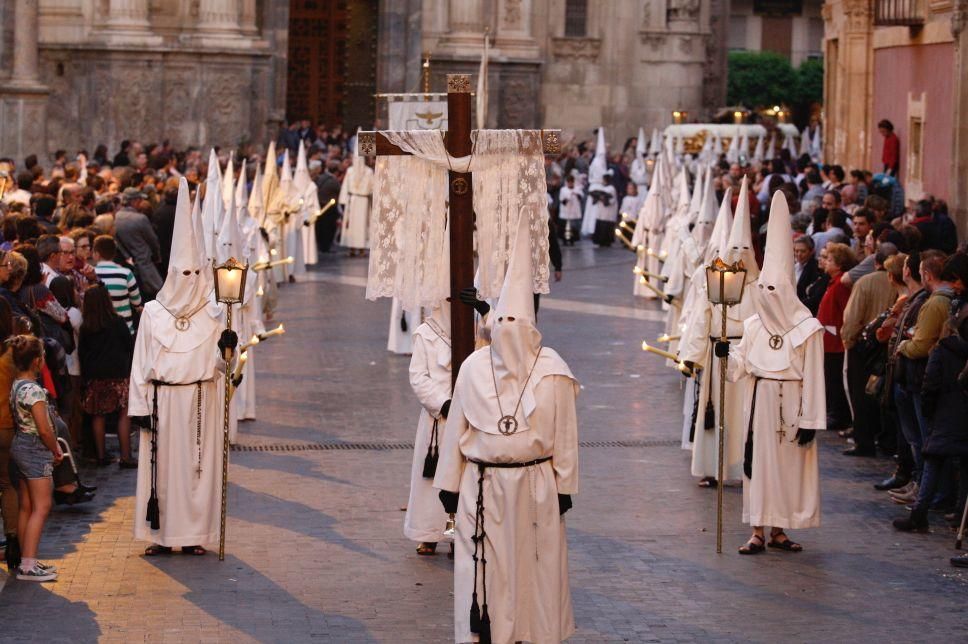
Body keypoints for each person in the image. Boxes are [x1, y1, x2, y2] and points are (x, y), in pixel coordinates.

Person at [434, 212, 579, 643]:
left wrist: (565, 486)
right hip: (481, 487)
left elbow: (566, 438)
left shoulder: (553, 371)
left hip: (536, 487)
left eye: (514, 323)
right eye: (500, 322)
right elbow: (457, 424)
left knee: (535, 568)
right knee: (484, 568)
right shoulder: (474, 367)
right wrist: (449, 483)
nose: (506, 331)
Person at [130, 178, 227, 557]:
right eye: (182, 273)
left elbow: (224, 366)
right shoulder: (154, 313)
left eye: (194, 274)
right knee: (161, 472)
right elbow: (140, 363)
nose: (189, 281)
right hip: (161, 403)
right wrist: (138, 407)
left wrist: (229, 351)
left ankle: (192, 536)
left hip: (201, 400)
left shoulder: (216, 312)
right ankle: (159, 535)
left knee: (196, 472)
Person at [726, 190, 826, 555]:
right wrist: (727, 355)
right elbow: (741, 367)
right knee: (761, 467)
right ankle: (756, 529)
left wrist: (811, 420)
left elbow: (815, 378)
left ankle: (780, 529)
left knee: (787, 470)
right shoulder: (753, 326)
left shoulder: (806, 328)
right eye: (763, 289)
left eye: (774, 288)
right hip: (760, 404)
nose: (768, 294)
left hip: (793, 405)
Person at [9, 334, 62, 581]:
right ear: (38, 361)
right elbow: (44, 428)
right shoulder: (34, 392)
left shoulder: (17, 385)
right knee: (42, 506)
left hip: (19, 445)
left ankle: (25, 560)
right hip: (34, 449)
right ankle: (29, 565)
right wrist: (55, 449)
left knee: (26, 506)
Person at [404, 301, 453, 556]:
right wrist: (442, 403)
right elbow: (418, 376)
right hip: (437, 419)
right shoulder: (425, 333)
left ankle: (458, 532)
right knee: (430, 481)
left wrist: (484, 311)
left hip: (464, 415)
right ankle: (428, 533)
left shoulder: (475, 328)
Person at [841, 246, 898, 456]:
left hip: (864, 346)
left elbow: (852, 316)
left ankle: (864, 441)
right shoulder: (899, 284)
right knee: (883, 393)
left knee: (861, 393)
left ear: (876, 262)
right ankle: (886, 440)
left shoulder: (865, 282)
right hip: (889, 345)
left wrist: (849, 340)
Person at [79, 285, 136, 468]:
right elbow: (129, 344)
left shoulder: (86, 327)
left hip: (96, 376)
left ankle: (101, 456)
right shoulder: (117, 322)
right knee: (123, 413)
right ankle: (126, 457)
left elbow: (82, 353)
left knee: (98, 415)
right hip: (118, 373)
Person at [817, 242, 857, 431]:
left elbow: (845, 312)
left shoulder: (840, 285)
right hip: (829, 339)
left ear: (839, 264)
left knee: (835, 379)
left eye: (830, 260)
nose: (825, 262)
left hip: (836, 342)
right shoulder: (833, 282)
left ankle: (838, 414)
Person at [113, 187, 163, 300]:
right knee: (159, 296)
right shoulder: (140, 218)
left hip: (129, 262)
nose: (141, 203)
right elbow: (153, 241)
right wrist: (157, 257)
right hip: (145, 263)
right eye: (140, 200)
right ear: (134, 201)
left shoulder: (116, 218)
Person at [93, 235, 142, 333]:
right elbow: (137, 302)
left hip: (101, 331)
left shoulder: (92, 275)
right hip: (125, 329)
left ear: (97, 254)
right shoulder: (126, 273)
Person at [337, 136, 374, 257]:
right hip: (353, 200)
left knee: (362, 225)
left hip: (363, 201)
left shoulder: (368, 171)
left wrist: (374, 199)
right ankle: (352, 247)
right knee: (352, 225)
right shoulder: (350, 171)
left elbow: (373, 187)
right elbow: (345, 186)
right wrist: (343, 200)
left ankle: (362, 247)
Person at [590, 171, 619, 247]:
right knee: (601, 225)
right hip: (601, 211)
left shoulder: (611, 189)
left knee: (606, 226)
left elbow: (612, 200)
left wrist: (603, 198)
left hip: (608, 213)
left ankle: (606, 241)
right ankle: (600, 241)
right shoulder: (602, 187)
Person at [558, 172, 583, 246]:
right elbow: (562, 200)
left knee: (573, 227)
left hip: (574, 212)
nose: (570, 184)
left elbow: (581, 197)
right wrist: (568, 196)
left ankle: (572, 240)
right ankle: (565, 240)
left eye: (571, 182)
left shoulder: (577, 189)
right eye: (569, 182)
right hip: (565, 212)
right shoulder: (563, 189)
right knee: (565, 227)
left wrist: (576, 194)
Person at [794, 235, 820, 305]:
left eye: (803, 251)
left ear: (811, 251)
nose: (799, 254)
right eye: (796, 251)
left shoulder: (816, 268)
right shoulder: (794, 266)